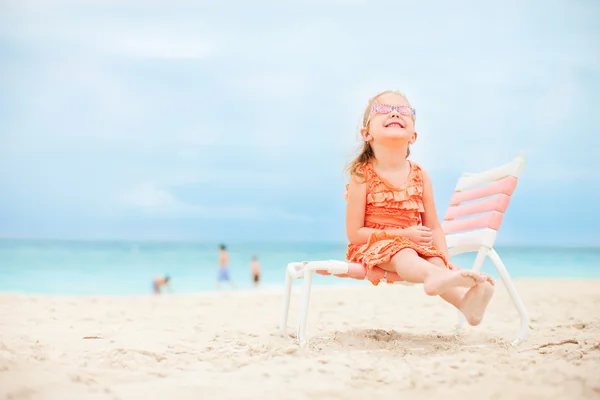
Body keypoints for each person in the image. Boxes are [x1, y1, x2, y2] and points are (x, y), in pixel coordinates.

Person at [344, 90, 495, 326]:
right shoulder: (362, 175)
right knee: (404, 253)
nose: (394, 112)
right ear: (367, 134)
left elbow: (433, 226)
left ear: (413, 136)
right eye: (383, 109)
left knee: (432, 260)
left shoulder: (420, 176)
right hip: (375, 247)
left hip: (415, 245)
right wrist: (403, 235)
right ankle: (435, 278)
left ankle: (467, 305)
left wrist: (444, 261)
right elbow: (355, 234)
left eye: (403, 110)